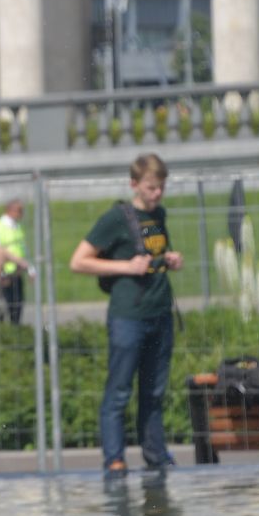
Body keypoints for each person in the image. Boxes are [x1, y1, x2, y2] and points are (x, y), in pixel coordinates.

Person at [69, 153, 183, 473]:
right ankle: (114, 458)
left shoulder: (159, 214)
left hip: (159, 312)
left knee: (154, 391)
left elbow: (152, 252)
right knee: (119, 390)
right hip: (128, 316)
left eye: (160, 187)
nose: (156, 194)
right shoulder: (116, 218)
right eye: (150, 188)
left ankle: (156, 455)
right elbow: (78, 261)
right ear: (134, 184)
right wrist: (126, 267)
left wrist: (169, 259)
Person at [0, 198, 31, 325]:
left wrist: (30, 269)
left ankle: (16, 330)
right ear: (10, 210)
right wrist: (1, 272)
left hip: (18, 271)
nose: (21, 214)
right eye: (19, 211)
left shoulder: (17, 226)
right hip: (6, 272)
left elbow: (23, 248)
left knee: (18, 304)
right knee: (8, 304)